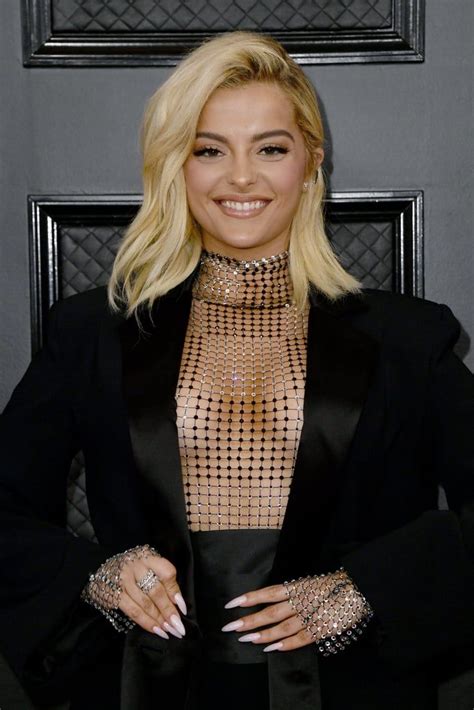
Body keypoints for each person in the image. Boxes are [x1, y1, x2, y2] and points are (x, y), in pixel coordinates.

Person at [0, 30, 473, 710]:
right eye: (209, 149)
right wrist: (97, 576)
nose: (241, 177)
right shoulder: (90, 334)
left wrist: (373, 588)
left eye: (271, 148)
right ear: (175, 166)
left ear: (311, 160)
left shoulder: (409, 341)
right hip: (144, 690)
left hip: (354, 692)